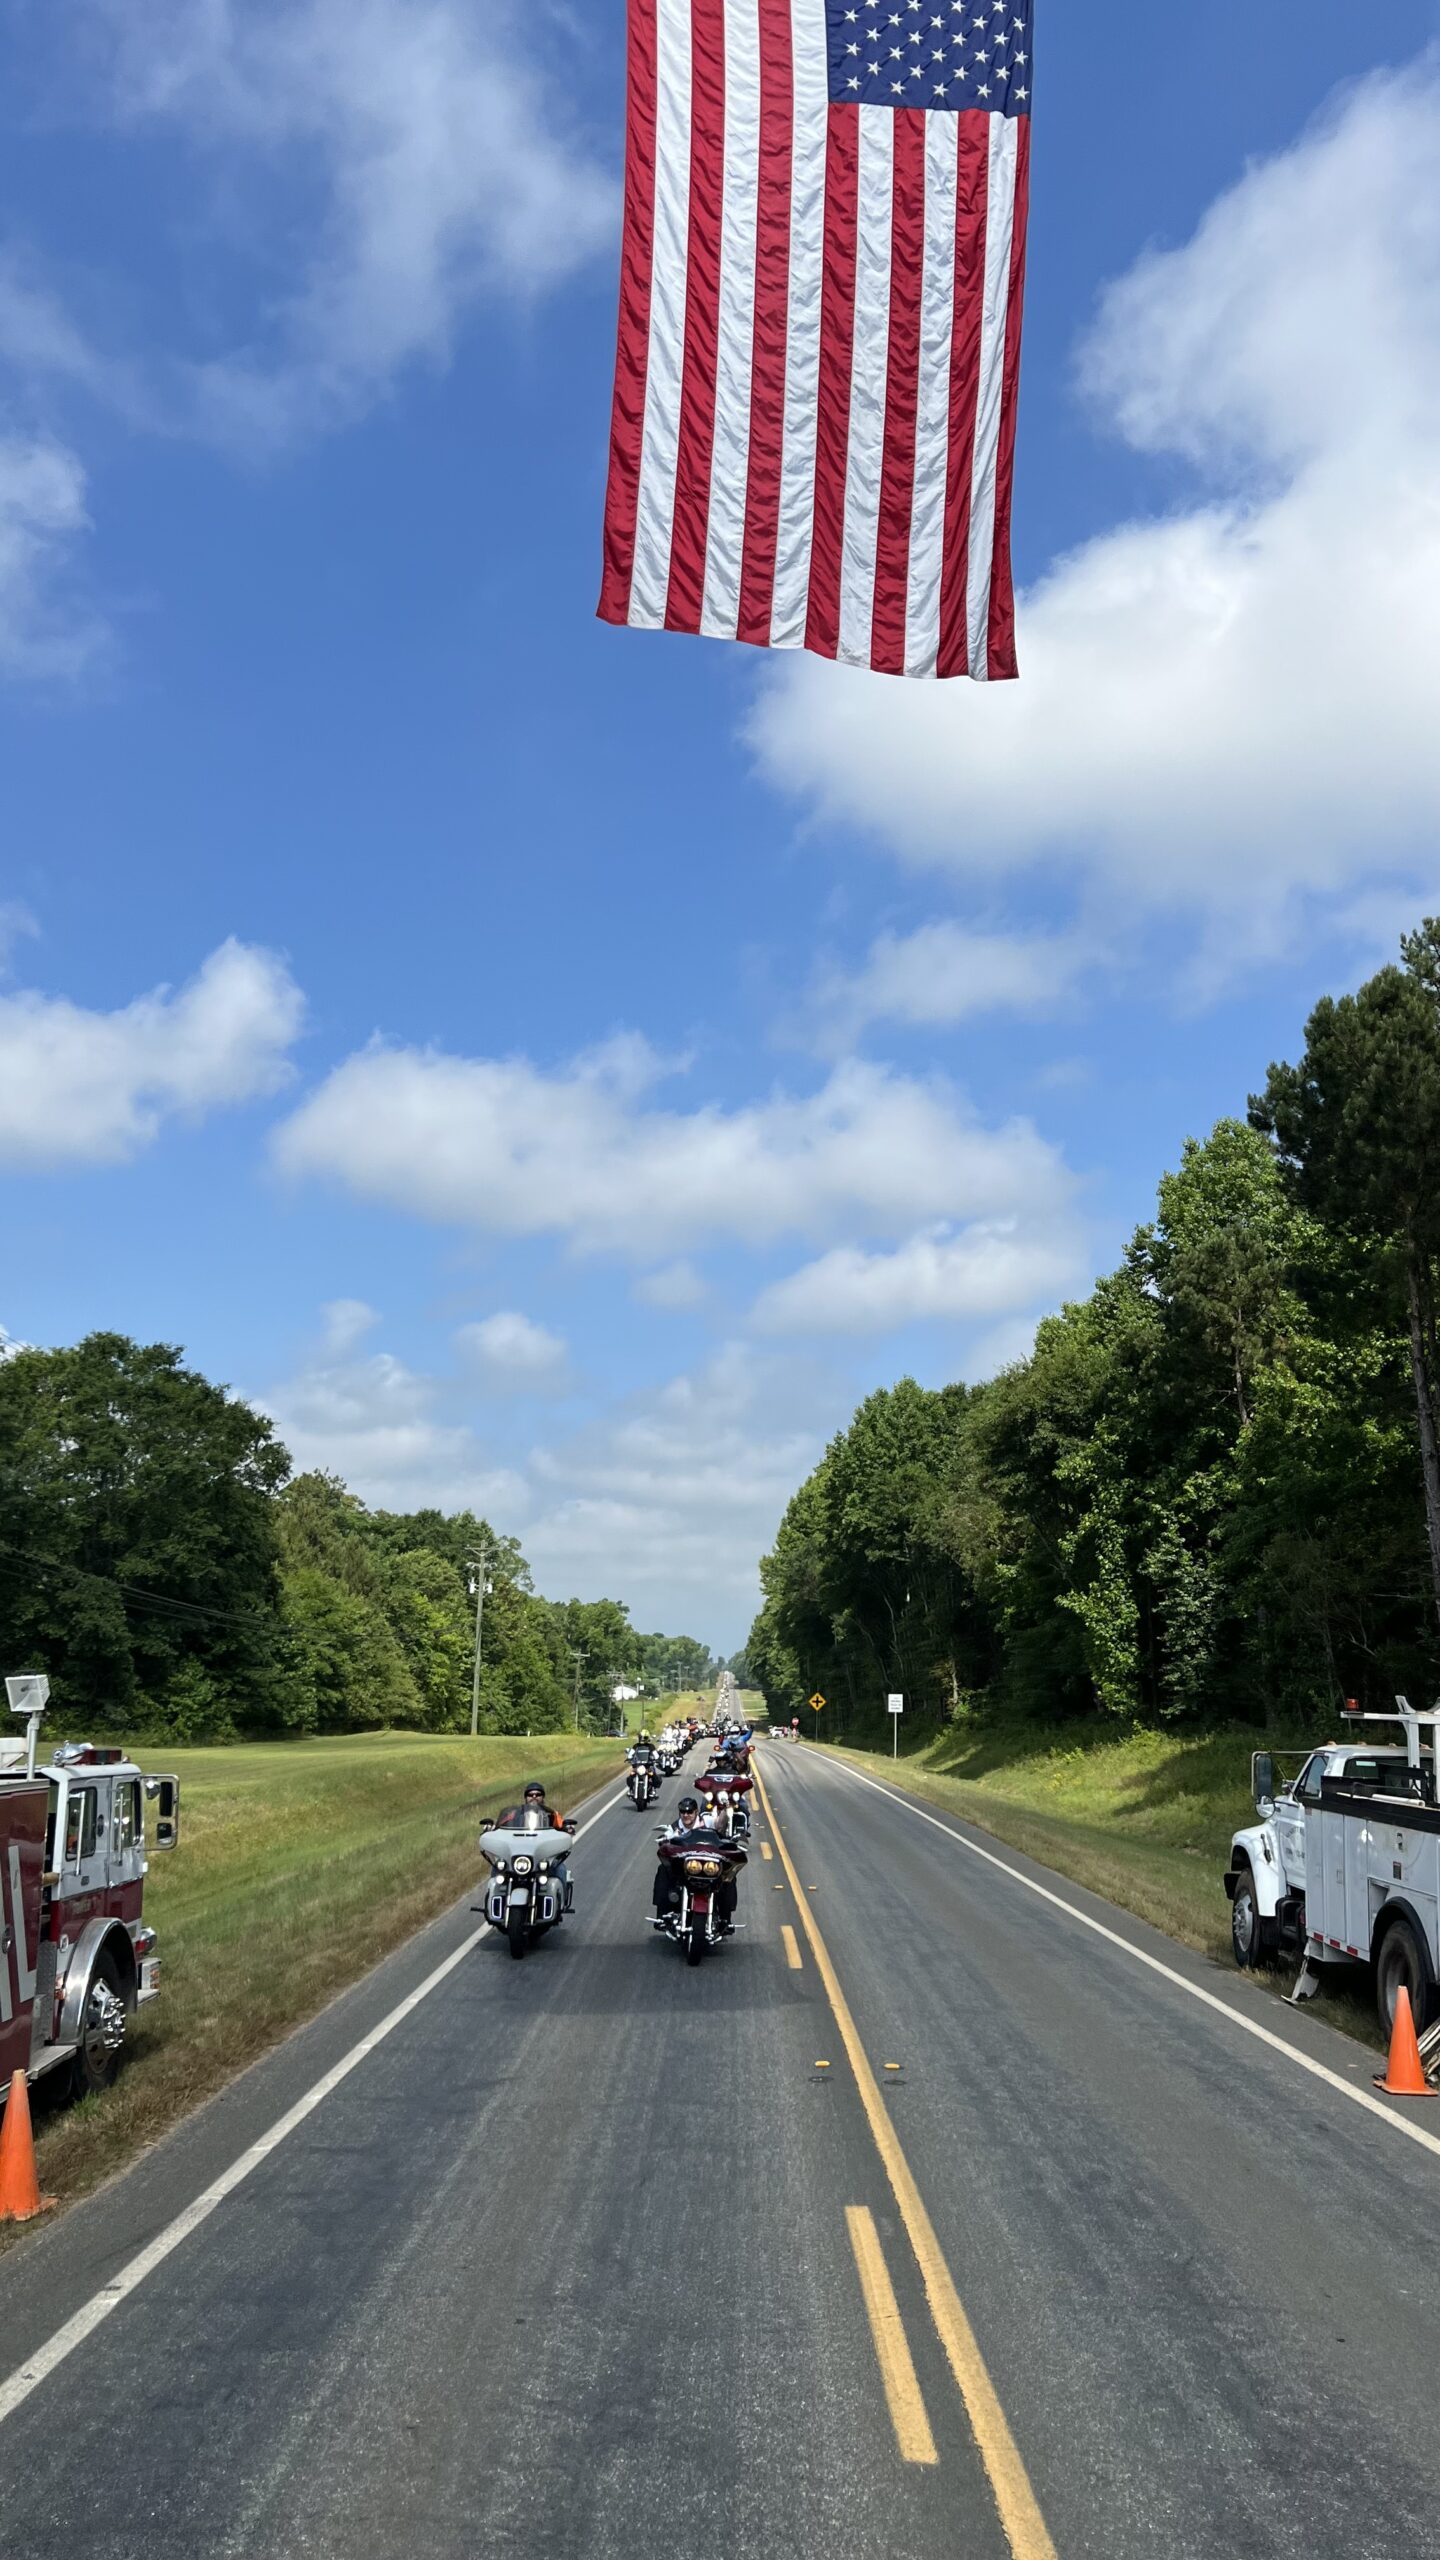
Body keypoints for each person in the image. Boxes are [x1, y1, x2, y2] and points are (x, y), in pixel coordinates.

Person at [651, 1795, 738, 1934]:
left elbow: (720, 1824)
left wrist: (725, 1811)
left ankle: (726, 1919)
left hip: (709, 1867)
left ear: (696, 1812)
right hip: (686, 1870)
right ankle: (662, 1915)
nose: (686, 1815)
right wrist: (664, 1841)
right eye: (683, 1812)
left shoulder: (707, 1821)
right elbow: (666, 1840)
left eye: (690, 1812)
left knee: (728, 1877)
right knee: (663, 1870)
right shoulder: (674, 1828)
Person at [489, 1781, 576, 1902]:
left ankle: (562, 1903)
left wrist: (567, 1829)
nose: (534, 1797)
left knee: (560, 1869)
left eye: (538, 1794)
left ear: (543, 1797)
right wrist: (492, 1829)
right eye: (530, 1795)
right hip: (519, 1854)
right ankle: (493, 1898)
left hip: (542, 1856)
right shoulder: (514, 1814)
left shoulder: (552, 1814)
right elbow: (501, 1825)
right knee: (497, 1869)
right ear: (525, 1798)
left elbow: (561, 1827)